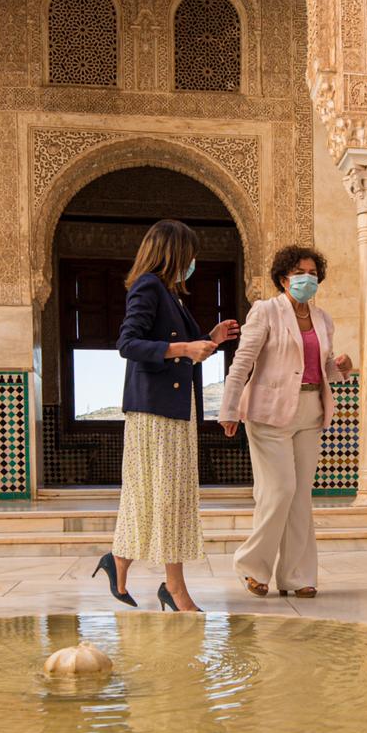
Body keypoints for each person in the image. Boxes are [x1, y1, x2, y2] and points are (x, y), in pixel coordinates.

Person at [91, 219, 239, 613]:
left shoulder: (171, 294)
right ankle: (174, 590)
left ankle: (119, 562)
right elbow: (128, 343)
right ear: (173, 252)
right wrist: (186, 349)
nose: (193, 261)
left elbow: (180, 344)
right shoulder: (148, 286)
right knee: (166, 497)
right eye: (189, 253)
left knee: (162, 497)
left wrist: (211, 337)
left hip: (173, 409)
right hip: (156, 411)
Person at [219, 244, 353, 599]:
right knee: (278, 491)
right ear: (283, 279)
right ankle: (251, 566)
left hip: (311, 411)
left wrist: (341, 367)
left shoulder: (323, 319)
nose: (307, 279)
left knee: (300, 497)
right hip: (269, 413)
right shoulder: (266, 312)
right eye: (299, 273)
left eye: (312, 273)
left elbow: (324, 370)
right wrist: (229, 409)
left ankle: (296, 575)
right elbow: (242, 362)